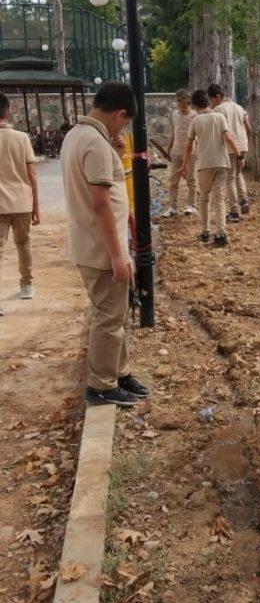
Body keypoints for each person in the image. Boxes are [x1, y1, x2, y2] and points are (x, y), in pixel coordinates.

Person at [60, 81, 149, 407]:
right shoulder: (94, 144)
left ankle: (119, 372)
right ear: (120, 113)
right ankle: (101, 386)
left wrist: (115, 152)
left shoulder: (77, 136)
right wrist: (117, 255)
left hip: (90, 243)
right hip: (101, 249)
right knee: (109, 318)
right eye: (125, 122)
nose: (124, 128)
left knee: (115, 314)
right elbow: (100, 203)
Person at [182, 89, 240, 247]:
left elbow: (189, 146)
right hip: (221, 162)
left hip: (204, 164)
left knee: (205, 198)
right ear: (208, 102)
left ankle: (206, 231)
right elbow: (228, 138)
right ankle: (221, 233)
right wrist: (239, 153)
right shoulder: (220, 117)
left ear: (194, 105)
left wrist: (183, 165)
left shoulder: (195, 121)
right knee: (219, 198)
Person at [0, 92, 40, 312]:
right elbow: (32, 174)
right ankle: (26, 286)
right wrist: (36, 207)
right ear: (8, 112)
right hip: (22, 201)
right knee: (23, 244)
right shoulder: (22, 138)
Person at [208, 83, 251, 221]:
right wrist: (245, 142)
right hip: (242, 144)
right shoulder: (239, 107)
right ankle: (243, 199)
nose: (212, 104)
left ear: (217, 97)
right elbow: (248, 127)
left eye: (212, 100)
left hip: (230, 146)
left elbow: (218, 132)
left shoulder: (219, 110)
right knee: (238, 174)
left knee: (230, 178)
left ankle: (234, 211)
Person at [163, 88, 197, 218]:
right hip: (176, 152)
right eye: (178, 105)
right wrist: (168, 149)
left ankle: (191, 205)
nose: (181, 108)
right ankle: (172, 207)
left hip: (191, 152)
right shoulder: (174, 114)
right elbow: (174, 132)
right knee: (173, 181)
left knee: (191, 180)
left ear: (188, 102)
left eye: (183, 105)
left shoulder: (194, 115)